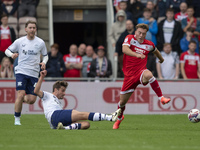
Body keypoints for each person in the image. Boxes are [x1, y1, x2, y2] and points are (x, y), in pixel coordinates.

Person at [113, 23, 171, 129]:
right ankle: (119, 118)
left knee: (149, 74)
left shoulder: (149, 44)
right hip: (129, 76)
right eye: (139, 32)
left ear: (146, 34)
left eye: (143, 34)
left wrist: (161, 59)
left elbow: (156, 51)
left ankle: (161, 97)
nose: (140, 35)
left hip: (140, 72)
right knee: (122, 103)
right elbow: (124, 50)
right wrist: (137, 55)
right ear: (136, 32)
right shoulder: (129, 38)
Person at [34, 70, 121, 130]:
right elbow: (36, 91)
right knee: (81, 114)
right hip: (55, 115)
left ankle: (64, 128)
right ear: (56, 90)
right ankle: (109, 117)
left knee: (86, 124)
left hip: (55, 122)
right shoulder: (48, 95)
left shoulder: (59, 104)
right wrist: (41, 77)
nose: (64, 93)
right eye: (62, 91)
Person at [4, 20, 48, 125]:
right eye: (30, 28)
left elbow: (45, 55)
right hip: (21, 71)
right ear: (26, 29)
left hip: (34, 73)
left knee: (32, 99)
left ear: (36, 29)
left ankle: (20, 98)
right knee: (21, 93)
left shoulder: (40, 42)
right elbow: (7, 50)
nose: (32, 30)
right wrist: (11, 55)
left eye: (34, 28)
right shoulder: (20, 41)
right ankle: (17, 119)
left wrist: (44, 62)